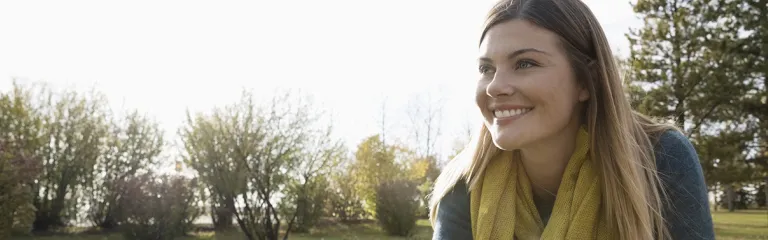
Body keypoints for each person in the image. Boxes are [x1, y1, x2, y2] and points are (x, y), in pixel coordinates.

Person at [428, 0, 714, 239]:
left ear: (585, 82)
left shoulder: (661, 158)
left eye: (525, 63)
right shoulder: (464, 183)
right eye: (486, 69)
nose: (494, 86)